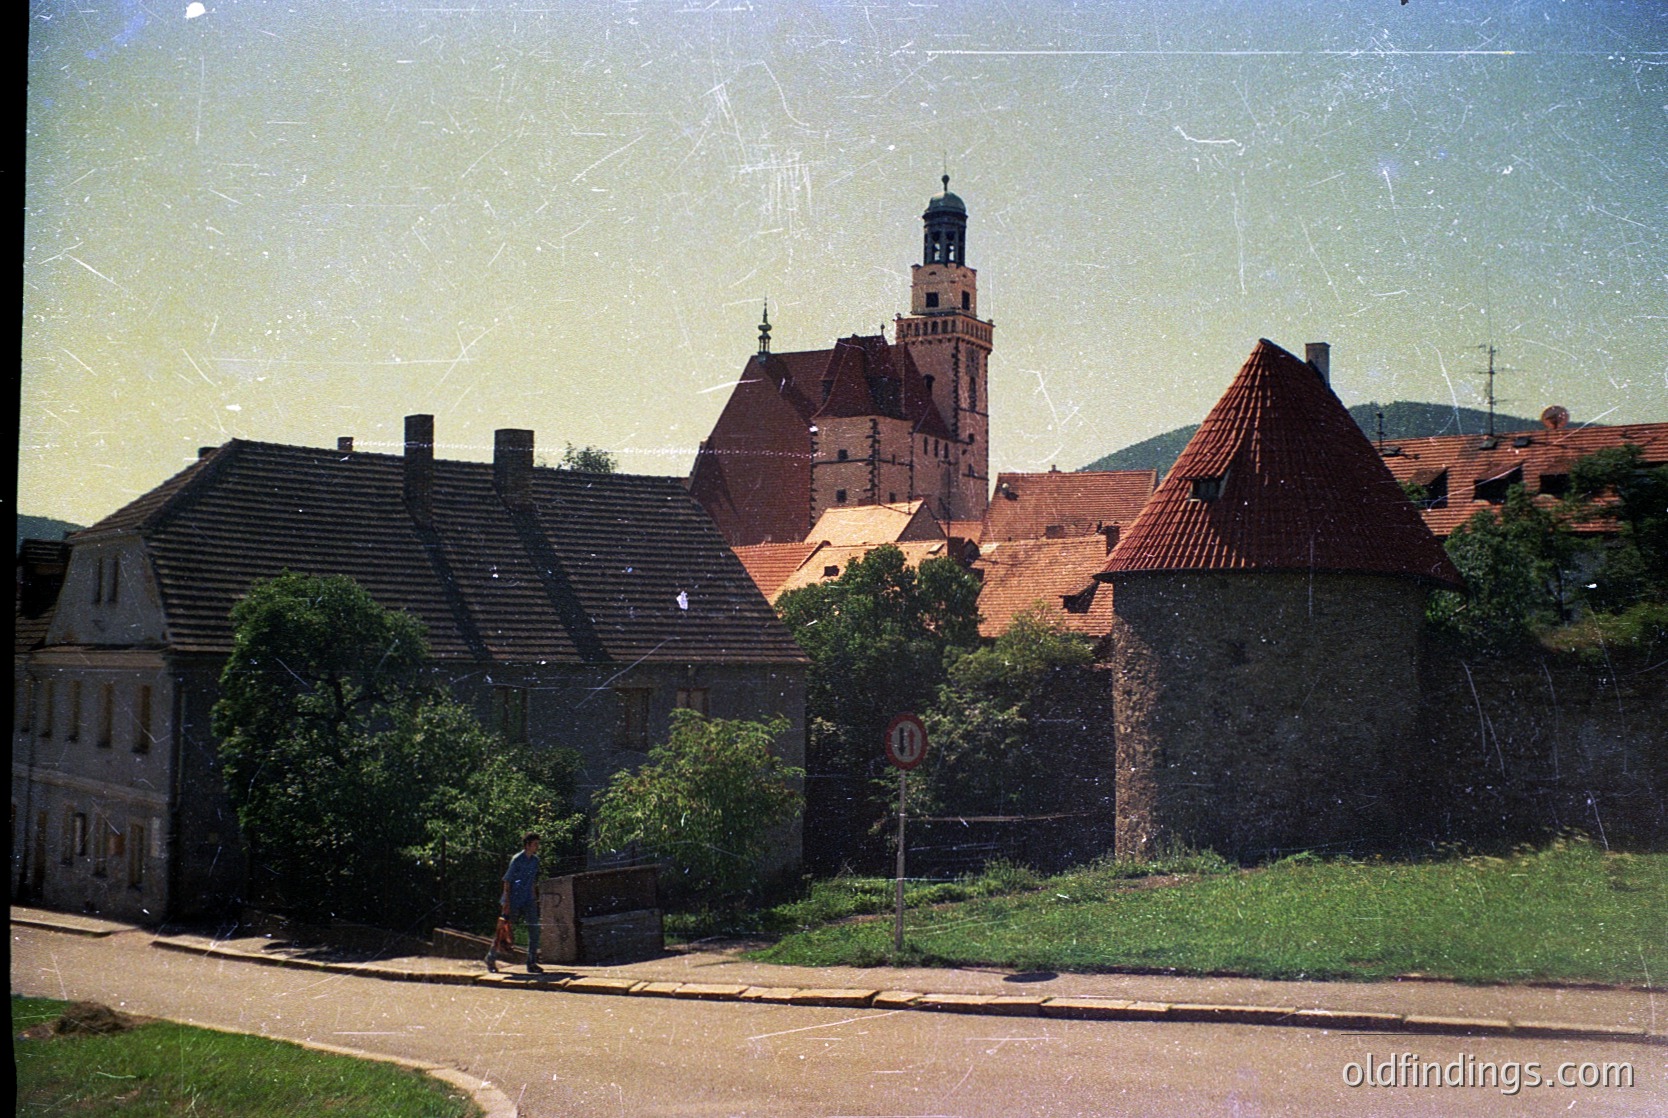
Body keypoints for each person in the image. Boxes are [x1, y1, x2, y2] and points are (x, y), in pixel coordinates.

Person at [486, 832, 542, 974]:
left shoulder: (535, 861)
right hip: (513, 899)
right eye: (535, 844)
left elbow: (532, 881)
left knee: (534, 929)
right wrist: (506, 902)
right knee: (503, 930)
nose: (537, 846)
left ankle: (531, 962)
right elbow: (507, 881)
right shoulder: (517, 860)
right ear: (527, 845)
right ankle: (491, 958)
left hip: (528, 899)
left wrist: (535, 899)